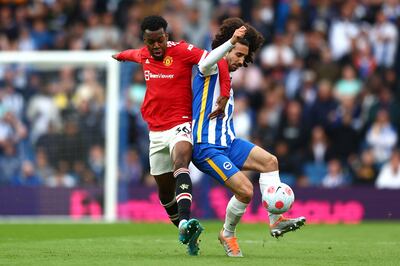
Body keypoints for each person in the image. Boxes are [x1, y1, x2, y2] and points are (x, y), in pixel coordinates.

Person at [111, 15, 246, 255]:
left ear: (167, 36)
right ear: (145, 40)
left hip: (181, 124)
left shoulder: (183, 51)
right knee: (164, 191)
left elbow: (219, 62)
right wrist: (119, 55)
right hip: (155, 131)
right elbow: (132, 53)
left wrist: (224, 92)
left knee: (181, 161)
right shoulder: (143, 54)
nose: (156, 46)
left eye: (160, 40)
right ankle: (186, 231)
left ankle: (185, 220)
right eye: (150, 42)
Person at [191, 18, 306, 257]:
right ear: (228, 47)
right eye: (239, 54)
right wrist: (230, 41)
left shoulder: (227, 81)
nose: (241, 61)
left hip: (228, 143)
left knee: (270, 162)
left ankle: (275, 220)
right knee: (245, 190)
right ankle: (227, 233)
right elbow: (208, 60)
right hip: (206, 147)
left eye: (245, 57)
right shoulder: (209, 68)